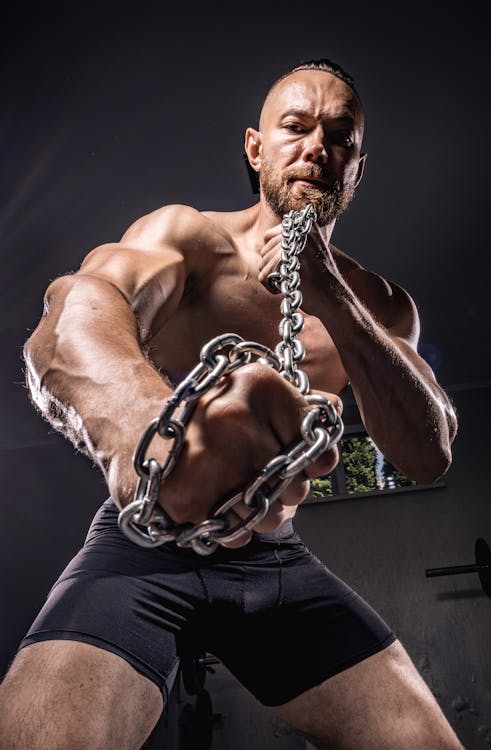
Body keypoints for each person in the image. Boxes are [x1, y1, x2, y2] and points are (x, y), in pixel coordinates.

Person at [0, 59, 462, 749]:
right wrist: (152, 438)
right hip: (140, 549)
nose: (317, 148)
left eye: (341, 137)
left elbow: (427, 451)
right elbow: (80, 313)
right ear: (255, 147)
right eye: (296, 127)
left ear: (357, 168)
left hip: (274, 565)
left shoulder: (383, 306)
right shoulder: (188, 240)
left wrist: (328, 291)